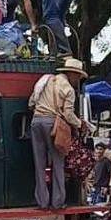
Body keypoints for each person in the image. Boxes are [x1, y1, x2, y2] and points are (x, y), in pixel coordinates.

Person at [30, 58, 86, 209]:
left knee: (39, 164)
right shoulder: (68, 90)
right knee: (58, 163)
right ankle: (58, 201)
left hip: (36, 122)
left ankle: (42, 201)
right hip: (53, 125)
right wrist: (80, 124)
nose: (78, 81)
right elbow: (68, 114)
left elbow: (32, 101)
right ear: (73, 74)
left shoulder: (45, 80)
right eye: (78, 77)